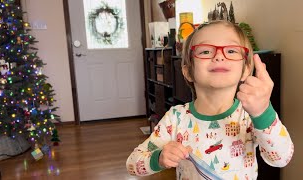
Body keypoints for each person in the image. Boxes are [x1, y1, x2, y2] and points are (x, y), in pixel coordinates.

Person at [126, 21, 294, 179]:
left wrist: (263, 113)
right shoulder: (176, 118)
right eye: (205, 51)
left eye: (231, 51)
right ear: (188, 71)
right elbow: (132, 163)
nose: (219, 56)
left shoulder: (250, 116)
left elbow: (281, 158)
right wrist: (159, 158)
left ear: (246, 70)